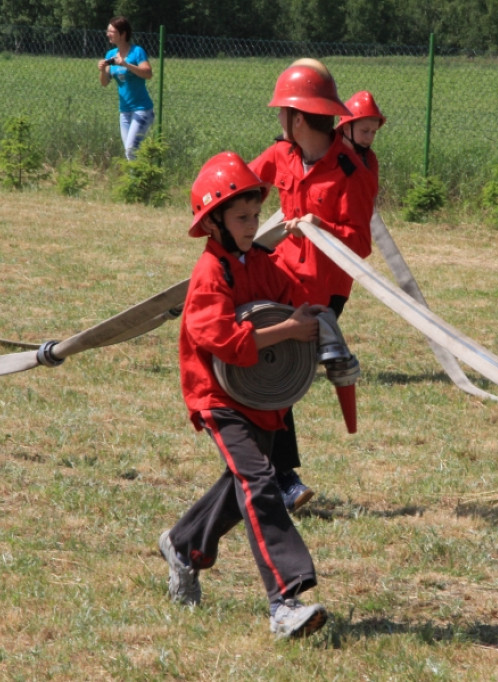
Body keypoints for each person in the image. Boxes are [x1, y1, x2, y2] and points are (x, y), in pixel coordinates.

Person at [157, 151, 329, 639]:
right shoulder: (211, 273)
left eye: (255, 215)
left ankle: (183, 544)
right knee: (260, 482)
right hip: (220, 398)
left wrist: (315, 313)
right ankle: (284, 601)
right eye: (242, 217)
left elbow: (295, 299)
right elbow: (224, 341)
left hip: (264, 399)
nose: (253, 224)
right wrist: (288, 331)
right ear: (213, 223)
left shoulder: (260, 261)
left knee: (240, 490)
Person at [249, 59, 378, 513]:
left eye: (282, 110)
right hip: (277, 280)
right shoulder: (283, 153)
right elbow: (248, 180)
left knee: (273, 375)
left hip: (322, 294)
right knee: (264, 372)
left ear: (298, 118)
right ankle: (276, 477)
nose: (278, 118)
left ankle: (280, 479)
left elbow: (360, 244)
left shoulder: (350, 172)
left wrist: (322, 227)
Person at [98, 16, 155, 161]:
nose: (108, 34)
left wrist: (126, 65)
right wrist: (102, 69)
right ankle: (138, 180)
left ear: (122, 34)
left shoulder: (137, 52)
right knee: (130, 153)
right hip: (125, 112)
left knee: (131, 150)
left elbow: (148, 74)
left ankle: (140, 180)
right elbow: (104, 83)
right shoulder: (110, 55)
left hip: (142, 110)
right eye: (108, 31)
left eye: (111, 31)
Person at [337, 90, 386, 177]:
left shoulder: (370, 160)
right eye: (365, 131)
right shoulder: (330, 157)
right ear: (346, 128)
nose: (369, 137)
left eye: (373, 132)